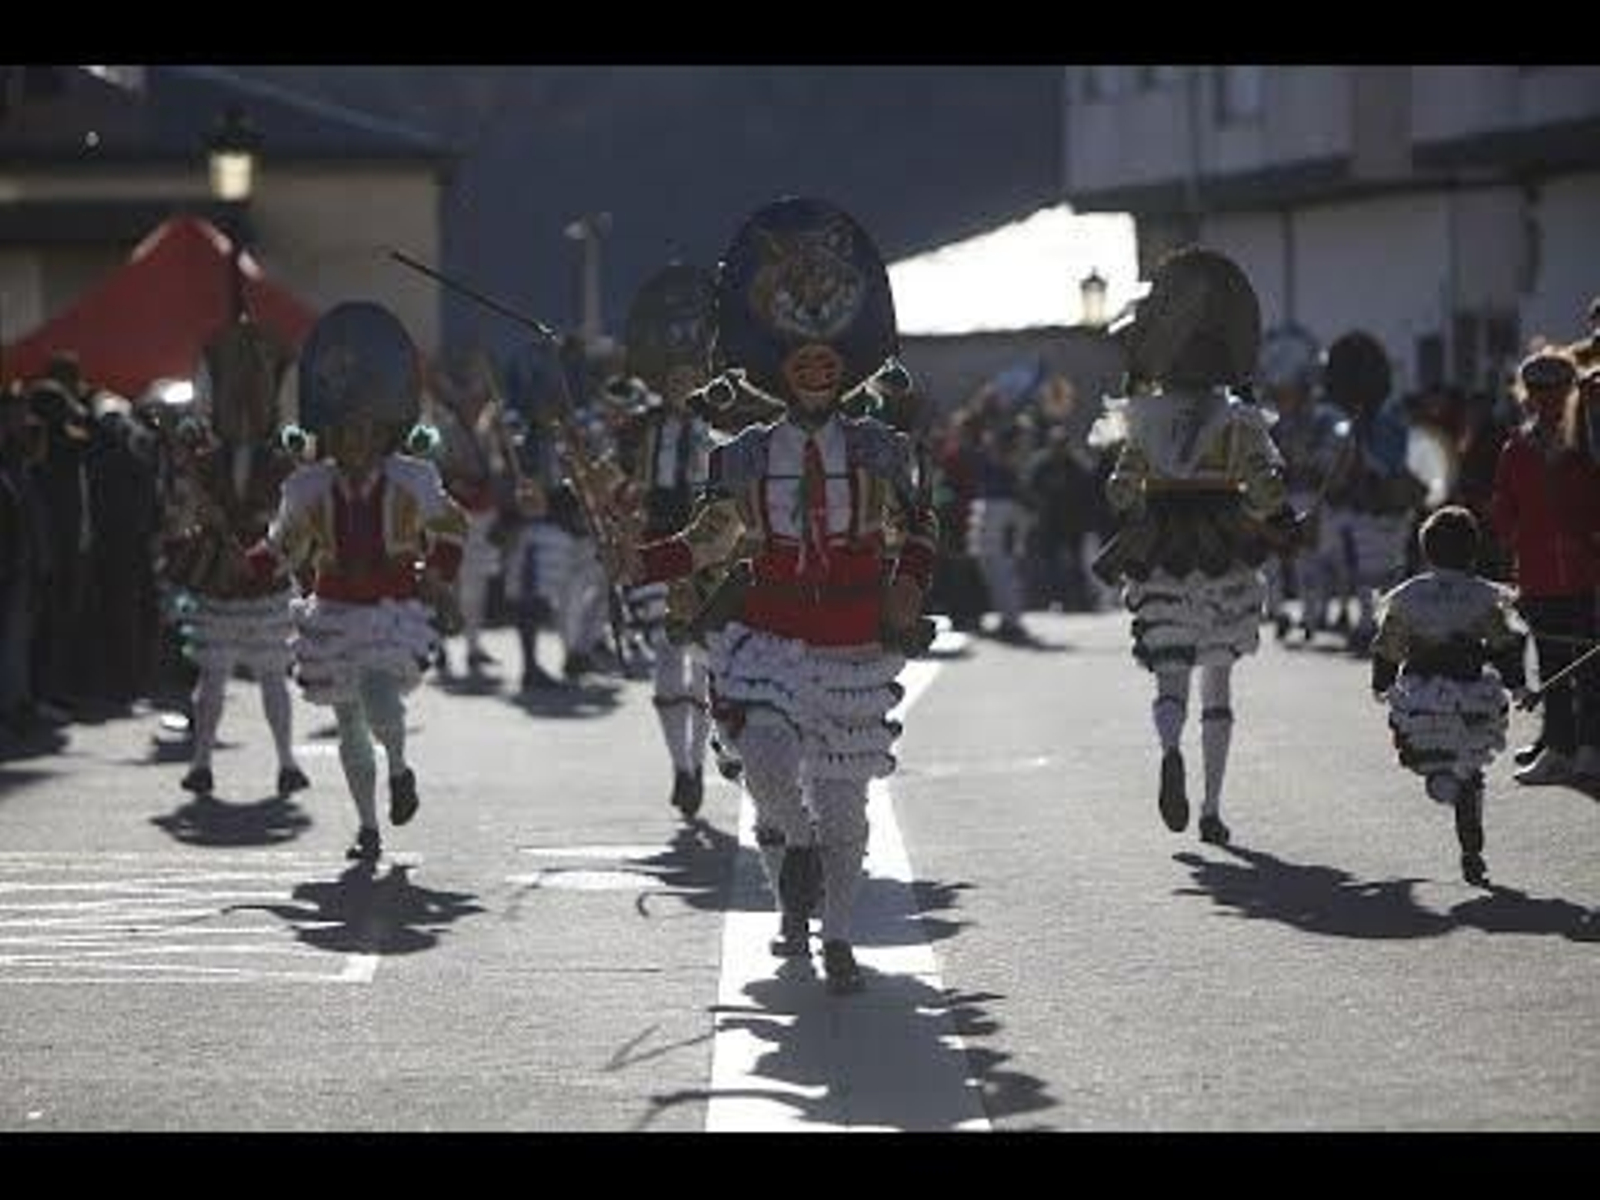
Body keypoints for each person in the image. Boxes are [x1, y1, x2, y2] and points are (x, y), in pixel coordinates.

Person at [615, 197, 939, 994]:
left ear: (848, 363)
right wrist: (645, 560)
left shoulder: (882, 450)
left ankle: (833, 937)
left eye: (830, 355)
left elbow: (921, 530)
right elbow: (708, 539)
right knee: (763, 758)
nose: (817, 367)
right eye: (802, 356)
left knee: (845, 802)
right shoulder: (746, 456)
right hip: (767, 621)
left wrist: (907, 589)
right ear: (776, 366)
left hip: (856, 631)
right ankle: (790, 850)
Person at [1090, 246, 1301, 847]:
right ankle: (1211, 808)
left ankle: (1167, 749)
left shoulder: (1144, 419)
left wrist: (1151, 488)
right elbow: (1265, 490)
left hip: (1161, 547)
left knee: (1169, 672)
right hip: (1225, 548)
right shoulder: (1240, 420)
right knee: (1220, 681)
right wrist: (1280, 517)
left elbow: (1119, 493)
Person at [244, 301, 468, 863]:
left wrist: (439, 578)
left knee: (378, 694)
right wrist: (246, 566)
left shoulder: (413, 479)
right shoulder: (307, 487)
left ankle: (399, 770)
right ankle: (367, 827)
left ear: (386, 428)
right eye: (347, 429)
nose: (358, 439)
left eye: (368, 428)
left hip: (390, 608)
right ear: (330, 431)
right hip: (333, 609)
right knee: (347, 721)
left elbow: (452, 528)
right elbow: (281, 544)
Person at [162, 317, 309, 797]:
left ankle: (287, 762)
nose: (244, 410)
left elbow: (295, 516)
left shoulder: (283, 463)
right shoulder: (204, 462)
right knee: (213, 674)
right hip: (221, 576)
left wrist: (270, 536)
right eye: (236, 400)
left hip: (263, 574)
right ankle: (201, 761)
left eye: (253, 400)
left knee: (272, 674)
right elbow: (183, 510)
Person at [1370, 506, 1528, 886]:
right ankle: (1470, 845)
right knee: (1471, 767)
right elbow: (1504, 643)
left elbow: (1388, 643)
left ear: (1426, 551)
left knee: (1419, 745)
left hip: (1423, 694)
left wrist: (1382, 681)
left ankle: (1440, 777)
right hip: (1471, 692)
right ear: (1473, 552)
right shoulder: (1482, 596)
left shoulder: (1408, 596)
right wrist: (1517, 683)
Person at [611, 263, 719, 819]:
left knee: (701, 658)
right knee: (665, 651)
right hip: (658, 537)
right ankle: (679, 766)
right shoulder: (646, 428)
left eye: (691, 377)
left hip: (706, 543)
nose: (683, 386)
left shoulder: (722, 425)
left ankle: (697, 762)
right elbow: (627, 482)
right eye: (675, 379)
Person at [1490, 348, 1600, 787]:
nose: (1544, 397)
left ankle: (1591, 748)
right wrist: (1512, 536)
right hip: (1537, 573)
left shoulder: (1587, 444)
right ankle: (1558, 748)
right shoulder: (1517, 447)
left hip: (1586, 570)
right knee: (1552, 666)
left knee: (1590, 668)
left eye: (1553, 388)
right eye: (1535, 388)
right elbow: (1503, 507)